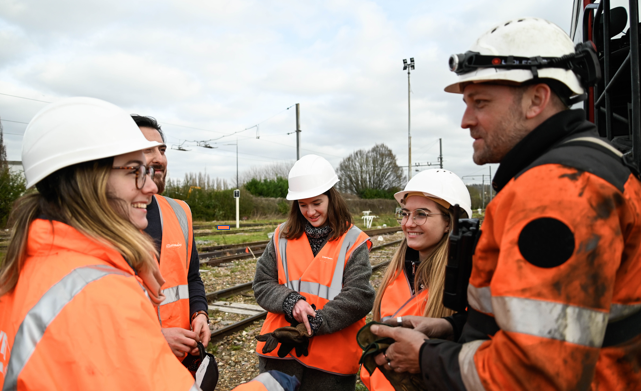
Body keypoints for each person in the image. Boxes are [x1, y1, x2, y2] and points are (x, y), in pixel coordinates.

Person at [371, 17, 641, 390]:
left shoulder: (558, 192)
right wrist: (451, 329)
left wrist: (425, 357)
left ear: (536, 100)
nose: (466, 121)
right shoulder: (584, 170)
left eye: (479, 103)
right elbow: (538, 326)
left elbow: (535, 374)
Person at [0, 97, 198, 390]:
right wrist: (270, 384)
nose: (151, 187)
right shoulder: (101, 292)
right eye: (134, 171)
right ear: (88, 180)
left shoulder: (29, 268)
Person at [253, 154, 375, 391]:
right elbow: (262, 284)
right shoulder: (281, 236)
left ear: (331, 197)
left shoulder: (353, 240)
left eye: (316, 203)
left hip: (330, 365)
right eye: (302, 204)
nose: (310, 211)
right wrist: (291, 301)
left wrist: (317, 322)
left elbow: (360, 295)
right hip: (281, 354)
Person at [360, 169, 471, 391]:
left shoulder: (468, 283)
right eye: (405, 213)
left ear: (450, 223)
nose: (409, 223)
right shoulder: (396, 273)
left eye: (421, 214)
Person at [131, 115, 211, 359]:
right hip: (132, 363)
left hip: (181, 359)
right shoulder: (103, 222)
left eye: (162, 149)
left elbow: (191, 277)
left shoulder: (180, 211)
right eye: (147, 149)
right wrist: (153, 338)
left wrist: (200, 313)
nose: (160, 158)